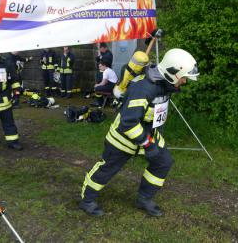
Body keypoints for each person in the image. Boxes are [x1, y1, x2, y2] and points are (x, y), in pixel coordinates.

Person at [79, 48, 199, 217]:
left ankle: (144, 198)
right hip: (123, 139)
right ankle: (87, 200)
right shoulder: (144, 89)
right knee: (106, 169)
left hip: (148, 136)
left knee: (163, 162)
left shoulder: (165, 83)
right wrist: (148, 145)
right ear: (173, 73)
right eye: (184, 77)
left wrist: (151, 140)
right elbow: (128, 123)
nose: (185, 82)